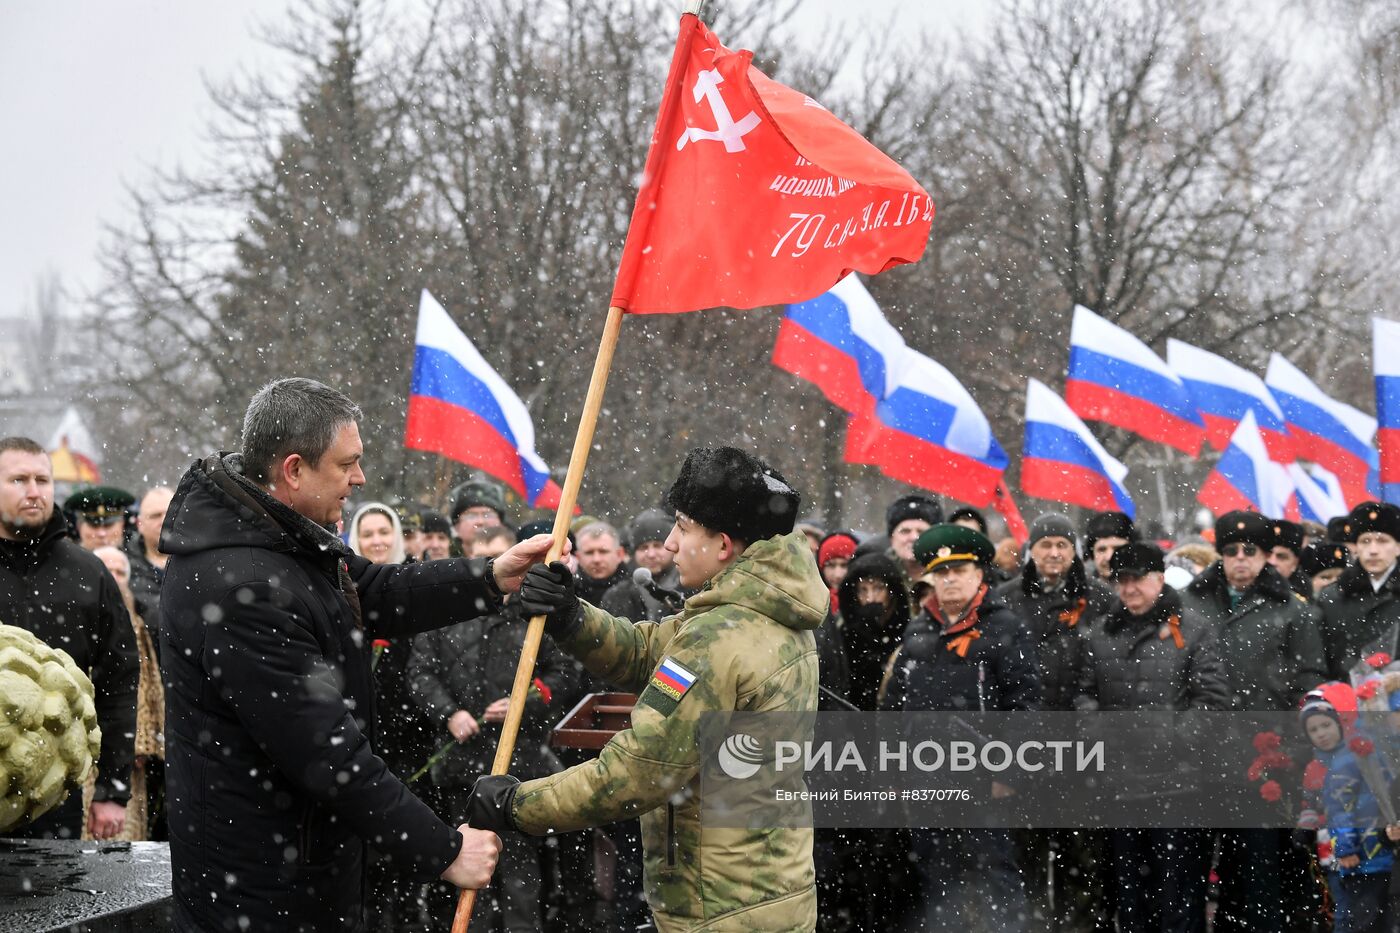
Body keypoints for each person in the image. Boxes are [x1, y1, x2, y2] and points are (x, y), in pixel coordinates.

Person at [159, 378, 536, 931]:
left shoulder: (283, 539)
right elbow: (326, 754)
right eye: (347, 464)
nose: (360, 479)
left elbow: (376, 591)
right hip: (261, 886)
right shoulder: (243, 585)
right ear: (294, 470)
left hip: (302, 861)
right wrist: (444, 849)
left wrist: (490, 578)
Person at [465, 446, 826, 931]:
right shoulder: (755, 614)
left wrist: (516, 805)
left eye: (683, 526)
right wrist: (571, 617)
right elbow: (647, 652)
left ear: (723, 545)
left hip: (720, 906)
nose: (671, 542)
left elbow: (637, 772)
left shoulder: (721, 637)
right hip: (764, 890)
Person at [881, 523, 1038, 931]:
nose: (950, 579)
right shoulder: (917, 630)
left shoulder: (1005, 627)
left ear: (979, 574)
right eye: (942, 571)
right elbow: (894, 710)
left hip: (983, 783)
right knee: (938, 882)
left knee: (997, 879)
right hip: (926, 782)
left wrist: (1008, 771)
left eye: (960, 569)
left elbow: (1026, 706)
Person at [1180, 510, 1327, 933]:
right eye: (1231, 550)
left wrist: (1294, 746)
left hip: (1264, 759)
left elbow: (1309, 680)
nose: (1240, 559)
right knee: (1195, 876)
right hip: (1200, 757)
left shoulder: (1292, 611)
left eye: (1251, 550)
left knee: (1258, 875)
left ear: (1265, 555)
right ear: (1219, 554)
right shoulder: (1191, 602)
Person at [1075, 543, 1230, 933]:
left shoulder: (1193, 630)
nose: (1129, 589)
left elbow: (1211, 700)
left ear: (1159, 579)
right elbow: (1083, 697)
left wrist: (1173, 740)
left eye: (1138, 579)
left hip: (1177, 787)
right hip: (1121, 787)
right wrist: (1105, 737)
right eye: (1121, 580)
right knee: (1132, 900)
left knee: (1179, 896)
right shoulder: (1100, 634)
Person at [409, 586, 577, 931]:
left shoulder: (532, 615)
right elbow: (420, 672)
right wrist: (449, 714)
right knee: (467, 860)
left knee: (519, 865)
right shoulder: (447, 614)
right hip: (461, 765)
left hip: (518, 766)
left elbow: (562, 673)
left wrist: (524, 704)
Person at [0, 437, 138, 842]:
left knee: (54, 902)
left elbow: (119, 681)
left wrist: (112, 790)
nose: (34, 491)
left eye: (42, 479)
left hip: (53, 792)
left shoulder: (88, 572)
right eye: (19, 479)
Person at [1300, 689, 1392, 933]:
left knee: (1369, 915)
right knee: (1353, 914)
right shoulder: (1332, 764)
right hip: (1348, 854)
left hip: (1372, 850)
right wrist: (1345, 847)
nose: (1321, 734)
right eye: (1314, 730)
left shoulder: (1358, 755)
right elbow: (1338, 808)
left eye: (1326, 725)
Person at [92, 545, 167, 842]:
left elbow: (149, 689)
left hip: (125, 756)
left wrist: (141, 743)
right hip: (89, 751)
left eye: (121, 572)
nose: (114, 578)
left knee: (125, 834)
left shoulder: (138, 623)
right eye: (107, 571)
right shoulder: (86, 619)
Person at [1317, 502, 1400, 679]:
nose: (1373, 550)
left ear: (1398, 547)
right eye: (1365, 541)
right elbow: (1317, 662)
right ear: (1355, 548)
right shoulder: (1331, 598)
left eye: (1382, 541)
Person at [837, 552, 910, 712]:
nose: (870, 598)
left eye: (878, 588)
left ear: (892, 591)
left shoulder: (908, 631)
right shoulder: (847, 634)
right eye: (863, 590)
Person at [601, 508, 685, 622]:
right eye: (643, 548)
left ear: (672, 547)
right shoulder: (617, 596)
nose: (651, 554)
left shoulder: (691, 588)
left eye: (657, 546)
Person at [126, 485, 173, 649]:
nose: (163, 520)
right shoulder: (124, 567)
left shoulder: (201, 561)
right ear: (140, 523)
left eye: (169, 513)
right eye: (155, 516)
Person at [885, 492, 943, 595]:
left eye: (921, 531)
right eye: (905, 531)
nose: (913, 537)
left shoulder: (948, 572)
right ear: (892, 539)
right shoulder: (879, 575)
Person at [573, 520, 630, 605]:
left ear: (619, 554)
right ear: (578, 557)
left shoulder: (638, 590)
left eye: (603, 551)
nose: (596, 559)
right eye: (589, 552)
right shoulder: (568, 592)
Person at [64, 485, 135, 551]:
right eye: (94, 526)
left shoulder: (139, 561)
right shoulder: (65, 561)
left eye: (108, 526)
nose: (101, 534)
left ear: (122, 525)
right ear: (79, 526)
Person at [452, 478, 508, 547]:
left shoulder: (519, 555)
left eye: (488, 515)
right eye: (471, 516)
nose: (480, 522)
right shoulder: (440, 556)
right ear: (457, 526)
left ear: (501, 524)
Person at [1082, 510, 1138, 580]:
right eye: (1102, 550)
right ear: (1092, 555)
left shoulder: (1152, 588)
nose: (1109, 557)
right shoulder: (1079, 588)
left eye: (1117, 548)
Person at [349, 500, 407, 565]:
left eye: (384, 533)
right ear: (356, 539)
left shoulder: (414, 573)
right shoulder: (342, 574)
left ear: (396, 534)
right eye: (367, 535)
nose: (377, 541)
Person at [1270, 519, 1312, 599]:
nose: (1272, 562)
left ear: (1295, 563)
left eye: (1281, 557)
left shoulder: (1304, 600)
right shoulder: (1242, 590)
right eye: (1268, 555)